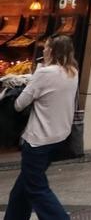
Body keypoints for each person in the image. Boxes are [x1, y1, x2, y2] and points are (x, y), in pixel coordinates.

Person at [5, 35, 78, 220]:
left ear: (52, 51)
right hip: (59, 137)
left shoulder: (45, 73)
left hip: (38, 140)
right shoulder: (72, 71)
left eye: (46, 47)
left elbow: (19, 104)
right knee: (22, 188)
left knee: (37, 189)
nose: (43, 50)